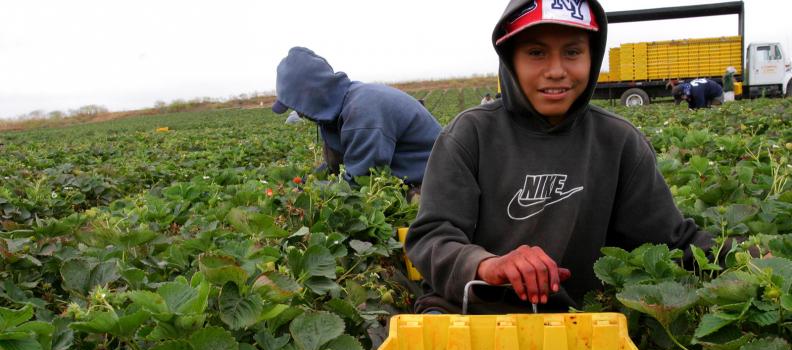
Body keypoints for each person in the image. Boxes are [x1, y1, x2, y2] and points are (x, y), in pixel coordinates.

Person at [405, 0, 713, 314]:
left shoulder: (618, 142)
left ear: (592, 56)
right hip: (469, 313)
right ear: (510, 59)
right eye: (536, 53)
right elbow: (432, 237)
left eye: (573, 52)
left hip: (575, 323)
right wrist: (487, 265)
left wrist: (747, 262)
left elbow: (673, 243)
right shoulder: (470, 134)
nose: (556, 71)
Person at [272, 47, 442, 188]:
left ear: (310, 96)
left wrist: (308, 192)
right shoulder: (339, 110)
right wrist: (305, 183)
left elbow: (360, 182)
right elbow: (336, 168)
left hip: (437, 185)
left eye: (297, 105)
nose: (299, 113)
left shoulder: (363, 111)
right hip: (408, 180)